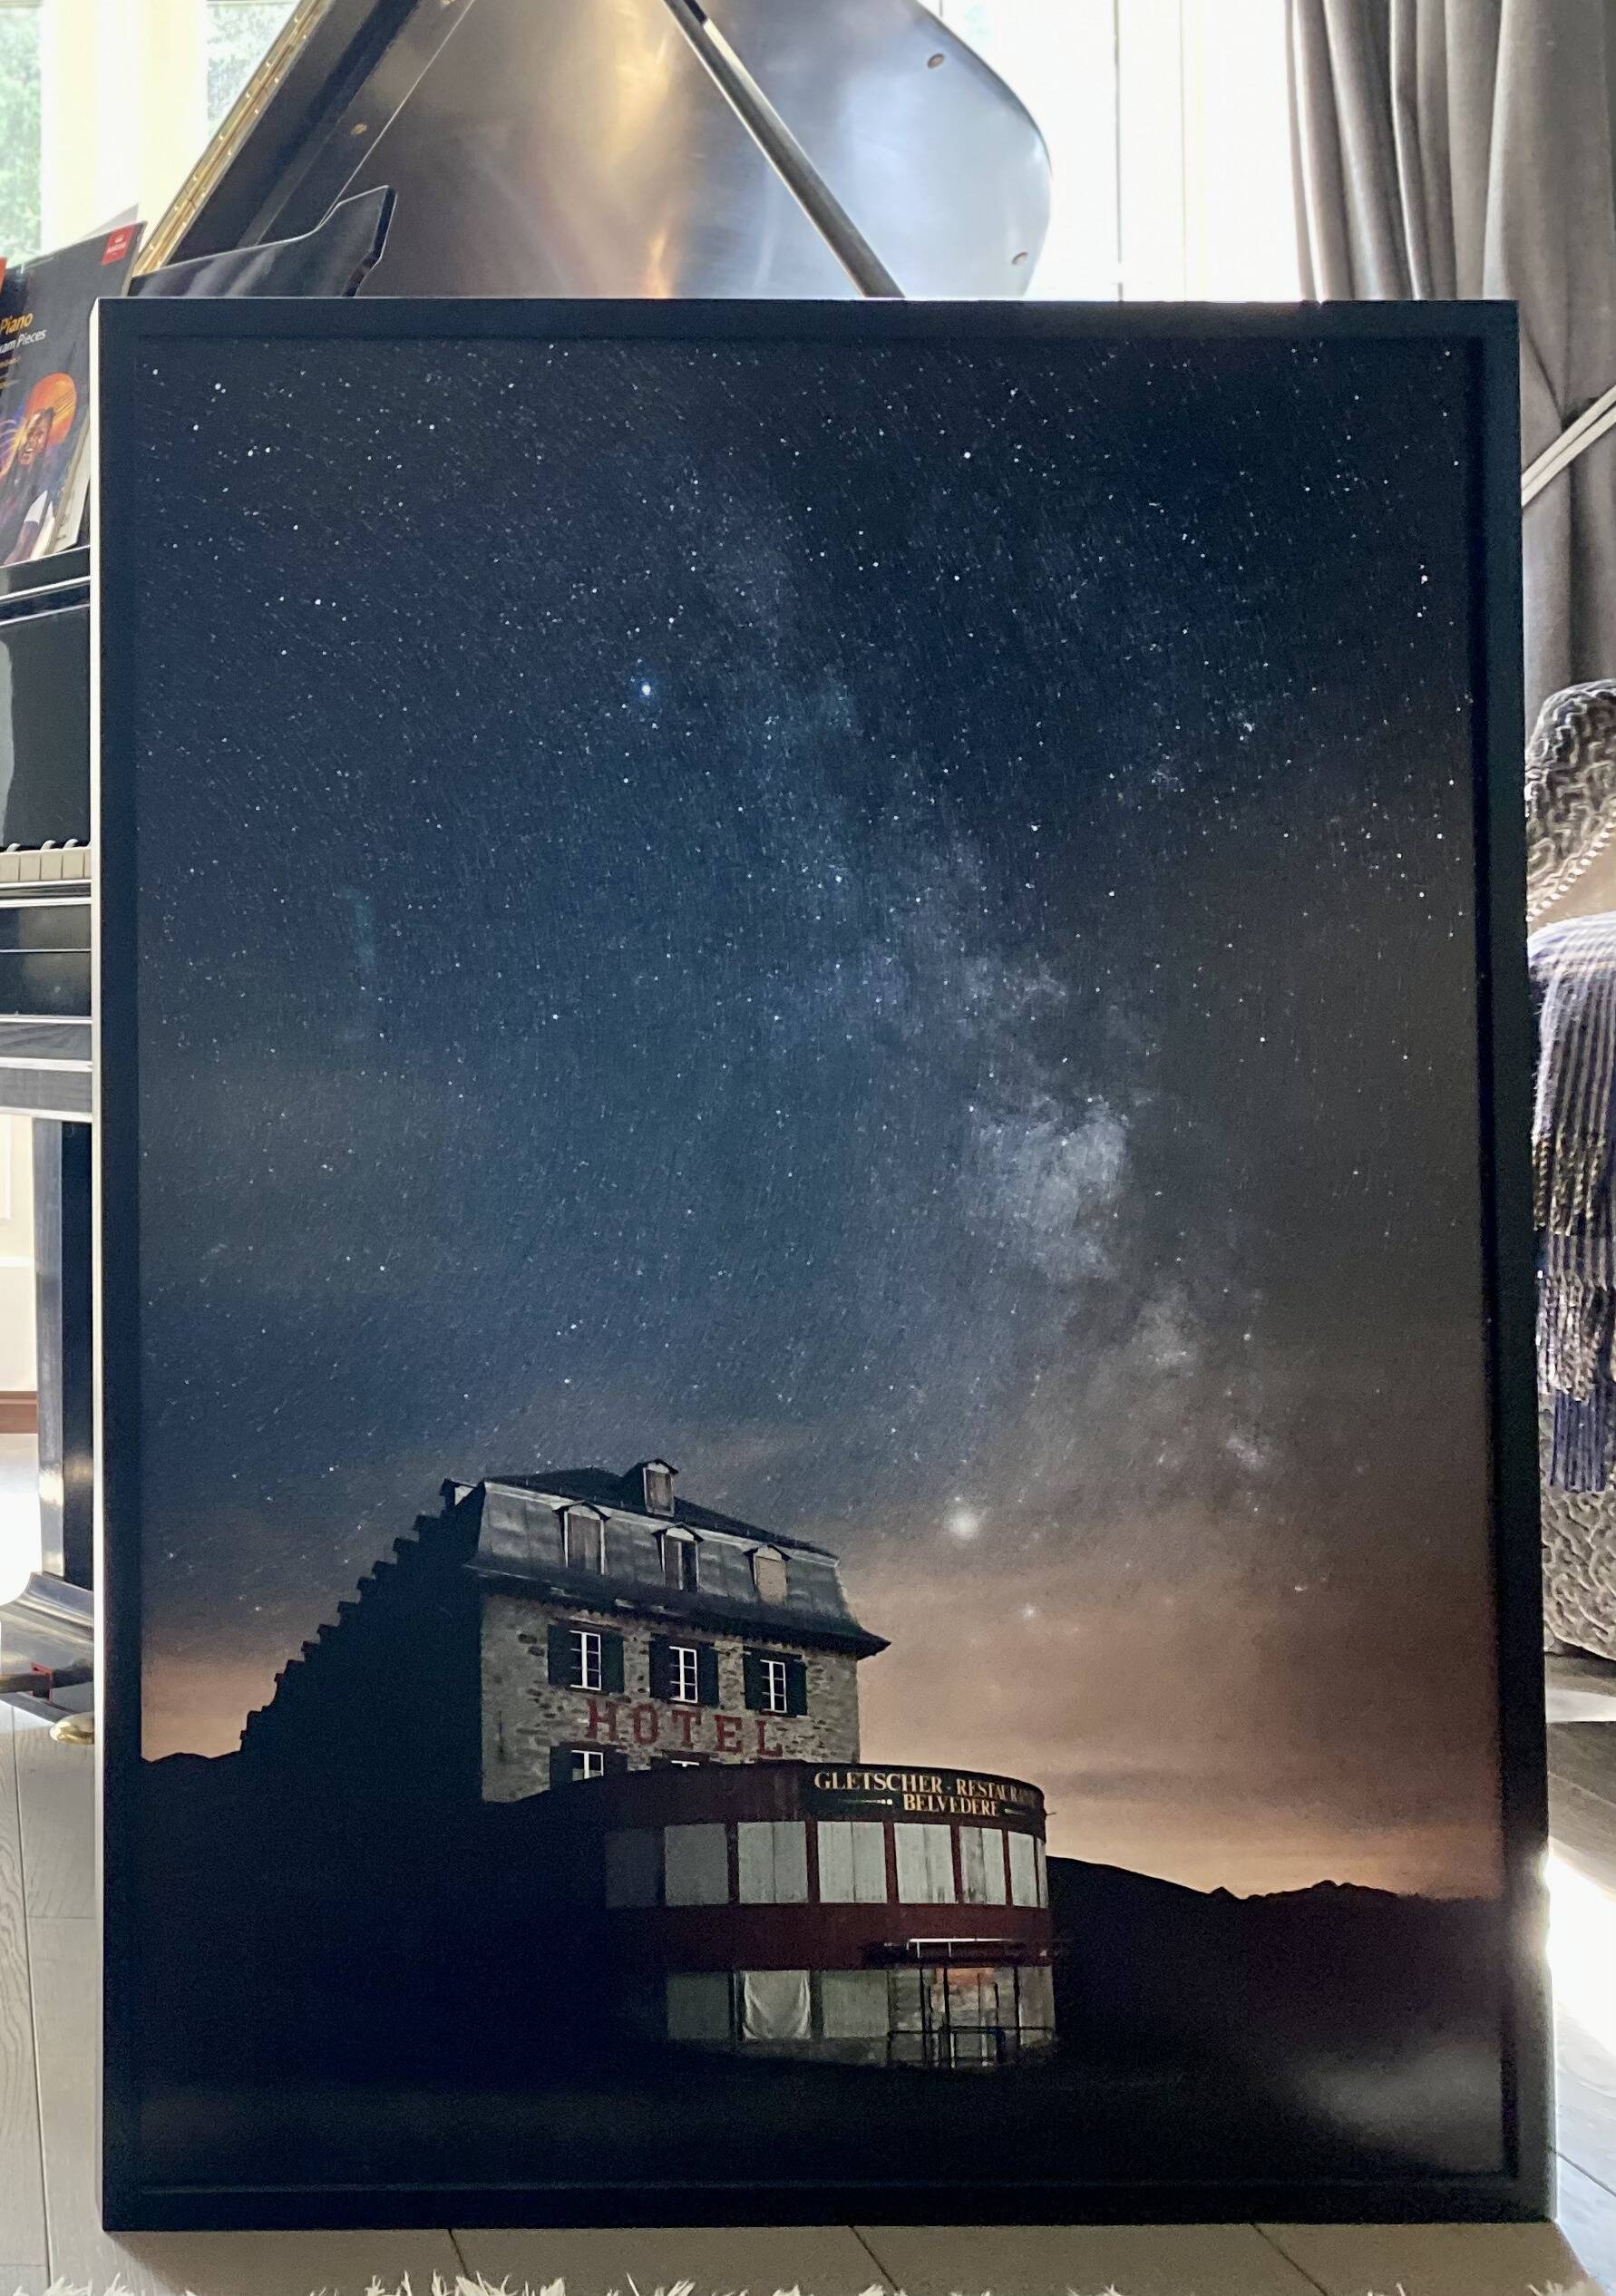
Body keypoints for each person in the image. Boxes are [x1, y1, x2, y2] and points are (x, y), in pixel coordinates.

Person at [0, 409, 65, 564]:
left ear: (45, 444)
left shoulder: (41, 494)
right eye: (30, 433)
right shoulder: (5, 481)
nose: (31, 441)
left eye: (39, 434)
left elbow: (22, 550)